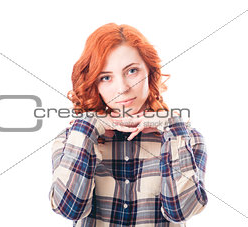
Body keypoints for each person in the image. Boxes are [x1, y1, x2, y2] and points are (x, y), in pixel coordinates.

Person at [48, 22, 208, 227]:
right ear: (93, 84)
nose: (122, 88)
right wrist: (87, 128)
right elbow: (68, 208)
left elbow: (181, 211)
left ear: (151, 72)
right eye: (106, 77)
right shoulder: (73, 139)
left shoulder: (188, 138)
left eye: (132, 71)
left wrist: (170, 125)